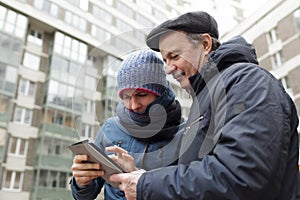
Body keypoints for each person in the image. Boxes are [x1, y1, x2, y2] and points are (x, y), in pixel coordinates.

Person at [110, 11, 300, 200]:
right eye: (165, 60)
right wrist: (138, 175)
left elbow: (240, 177)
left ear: (205, 44)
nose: (168, 69)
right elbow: (196, 175)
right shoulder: (205, 98)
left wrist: (146, 185)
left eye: (175, 56)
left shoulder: (247, 82)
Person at [70, 50, 185, 199]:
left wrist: (141, 183)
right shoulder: (110, 128)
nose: (133, 105)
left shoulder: (185, 134)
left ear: (161, 92)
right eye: (126, 96)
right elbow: (85, 196)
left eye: (141, 95)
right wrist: (81, 183)